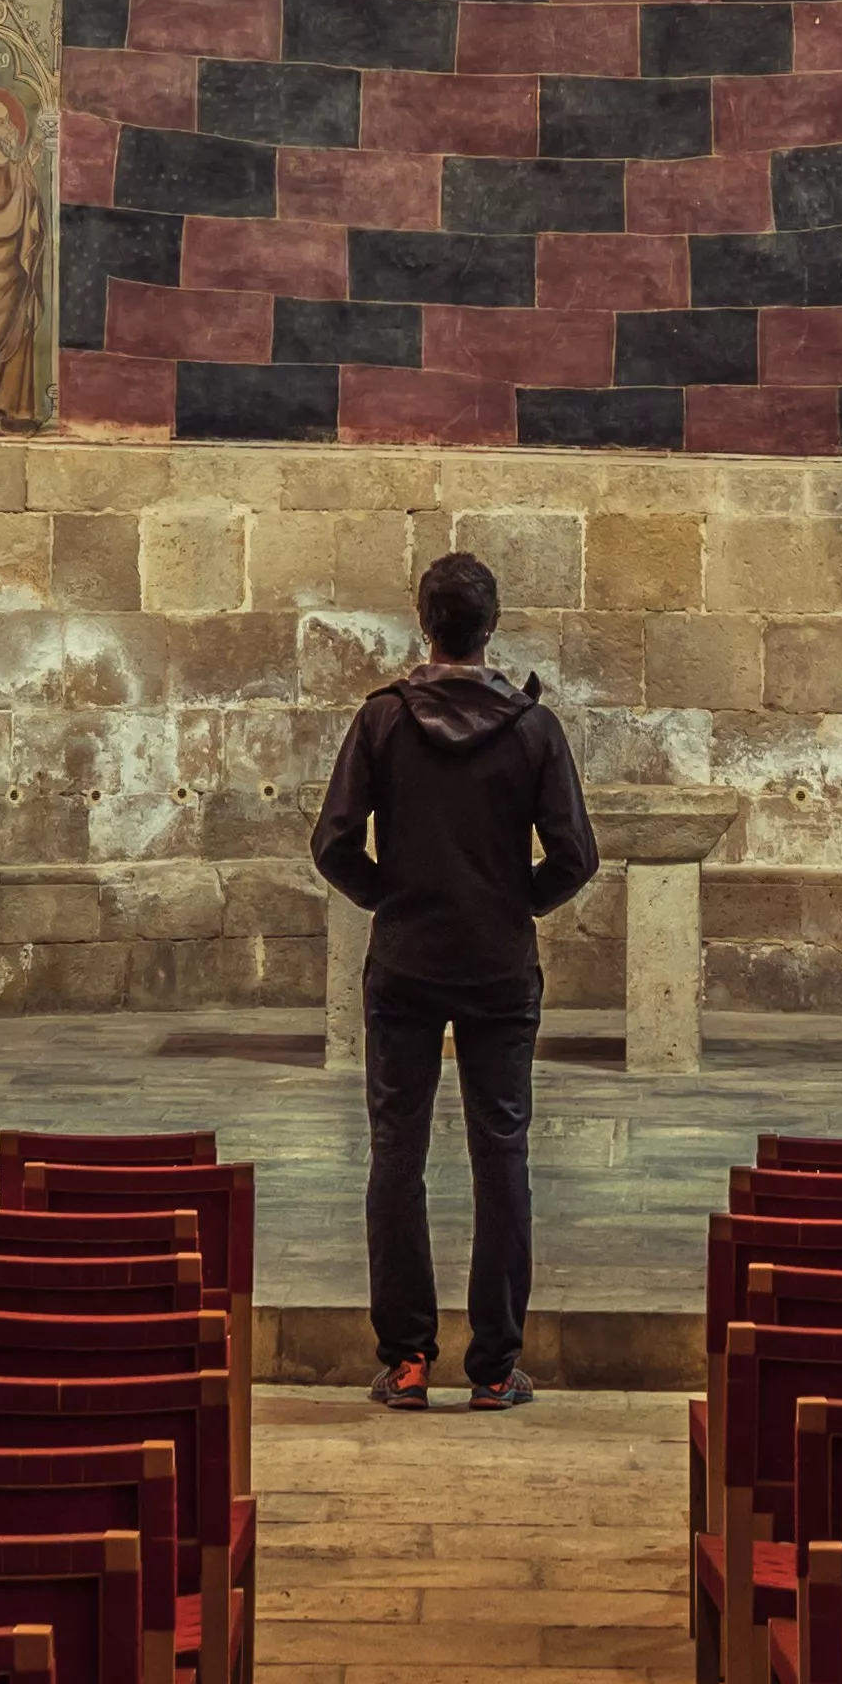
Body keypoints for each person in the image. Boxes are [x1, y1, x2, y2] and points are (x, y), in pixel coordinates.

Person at [310, 552, 596, 1409]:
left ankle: (405, 1361)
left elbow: (331, 842)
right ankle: (495, 1367)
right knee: (500, 1154)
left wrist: (390, 897)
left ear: (422, 620)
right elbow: (577, 855)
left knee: (397, 1154)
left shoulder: (383, 721)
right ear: (492, 623)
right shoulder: (533, 728)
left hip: (405, 963)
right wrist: (516, 904)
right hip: (499, 969)